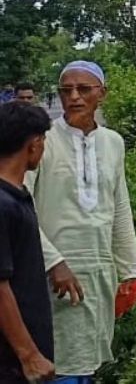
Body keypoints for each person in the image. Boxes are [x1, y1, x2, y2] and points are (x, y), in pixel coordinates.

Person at [25, 61, 136, 381]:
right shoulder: (40, 141)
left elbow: (119, 206)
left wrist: (131, 270)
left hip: (99, 268)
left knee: (87, 357)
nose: (74, 96)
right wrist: (53, 262)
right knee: (56, 359)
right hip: (52, 272)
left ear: (101, 94)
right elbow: (21, 209)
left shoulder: (113, 142)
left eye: (84, 89)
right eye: (66, 90)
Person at [0, 102, 55, 382]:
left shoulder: (17, 195)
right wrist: (29, 354)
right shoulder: (3, 204)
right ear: (34, 145)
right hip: (10, 362)